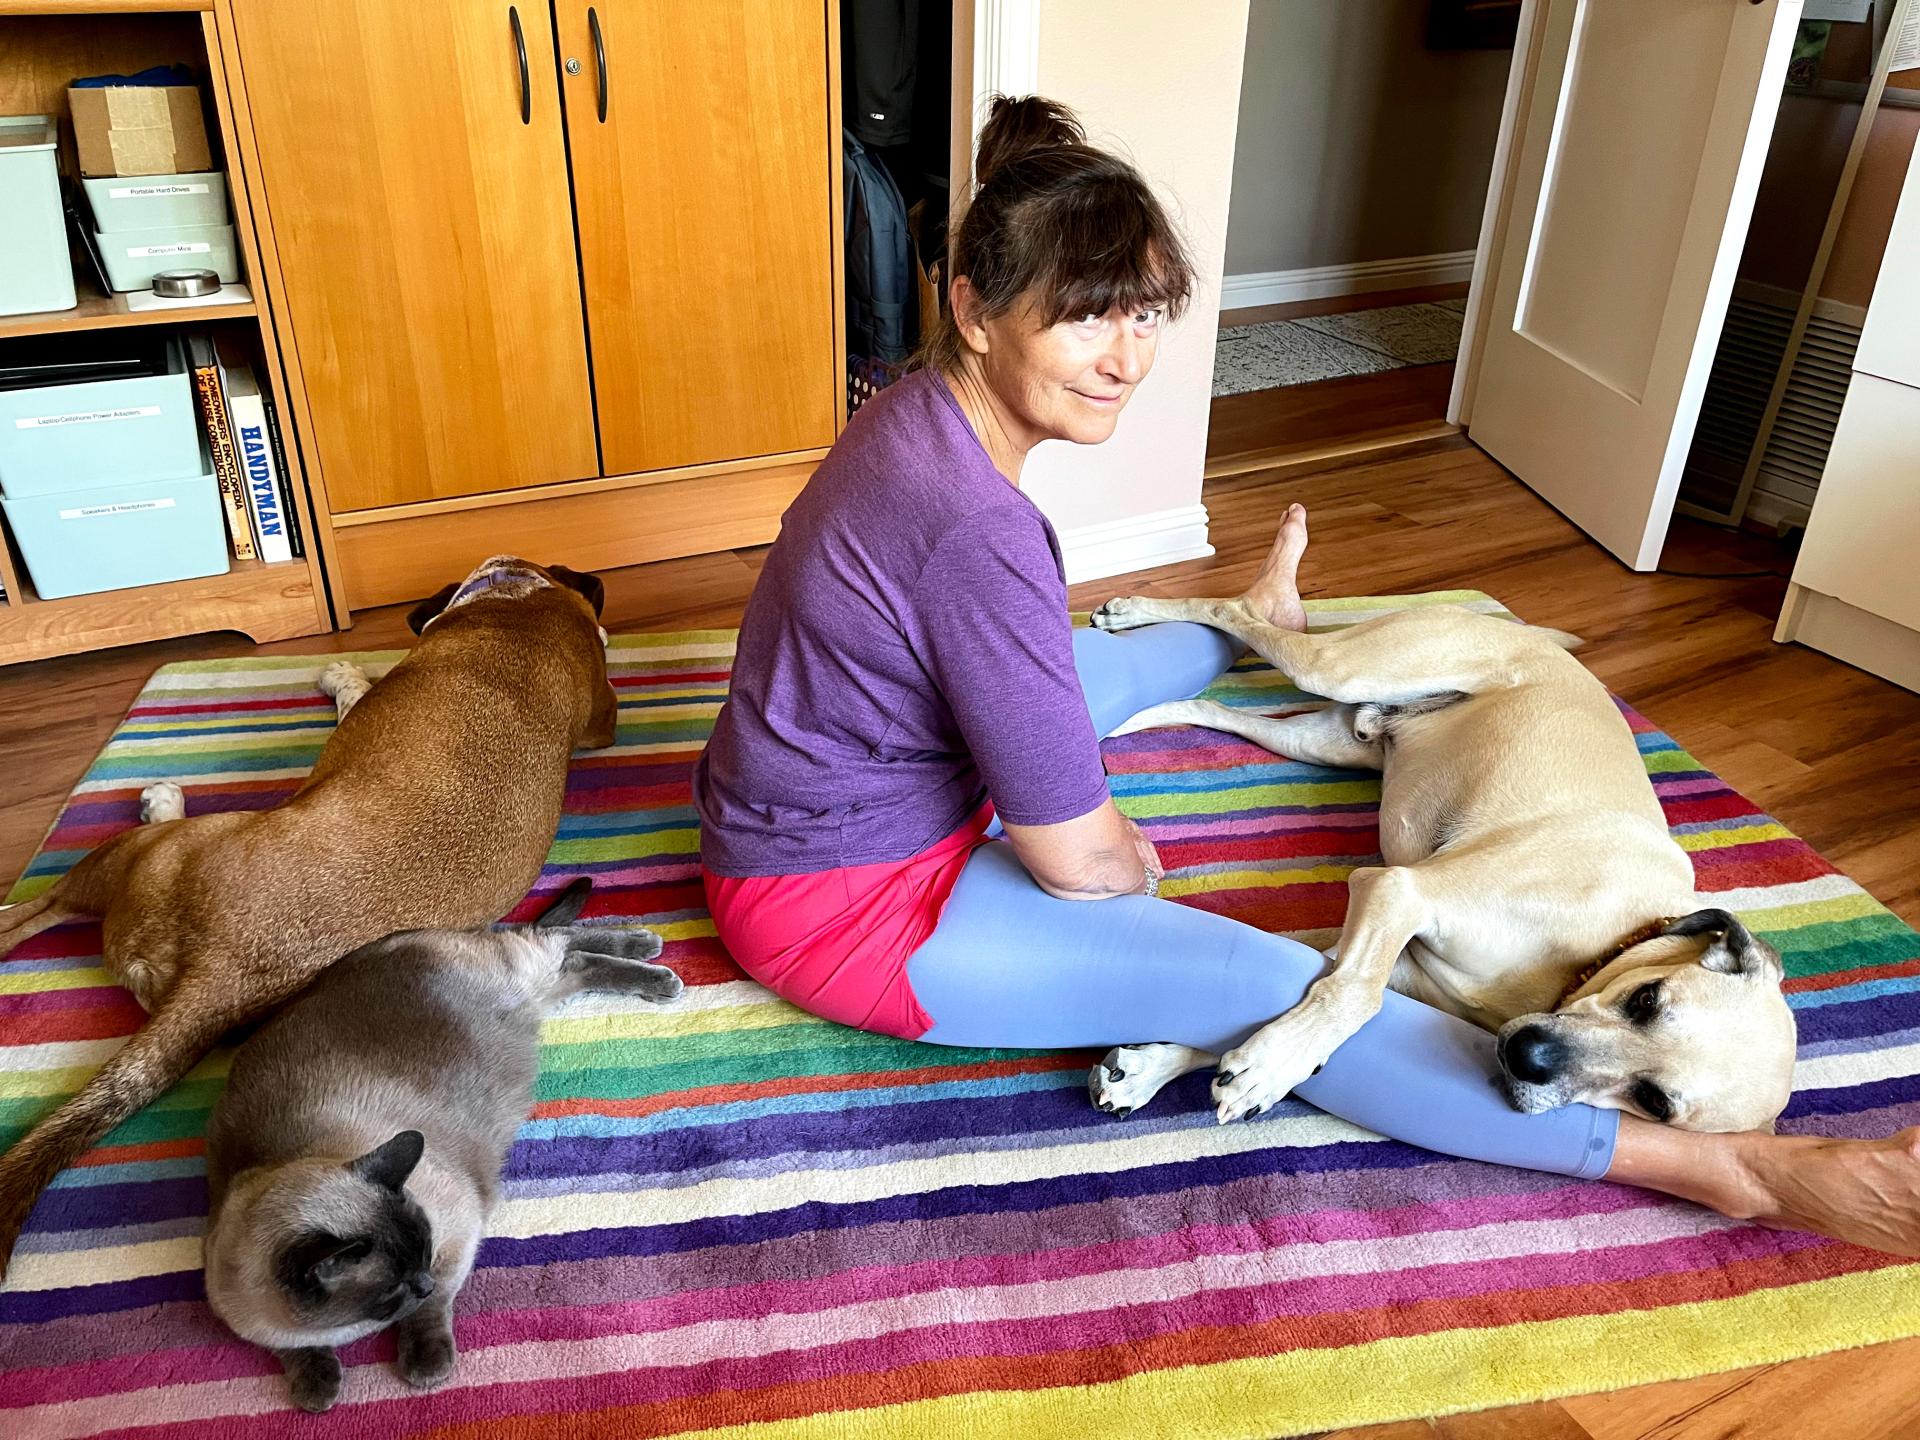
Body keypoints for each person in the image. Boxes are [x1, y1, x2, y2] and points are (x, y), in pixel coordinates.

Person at [692, 94, 1920, 1256]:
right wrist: (1127, 863)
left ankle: (1252, 620)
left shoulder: (912, 417)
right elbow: (1077, 860)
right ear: (974, 306)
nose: (1126, 356)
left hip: (829, 798)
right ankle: (1735, 1173)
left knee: (1076, 672)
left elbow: (1002, 666)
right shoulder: (974, 529)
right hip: (842, 902)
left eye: (1147, 312)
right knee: (1283, 986)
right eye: (1087, 315)